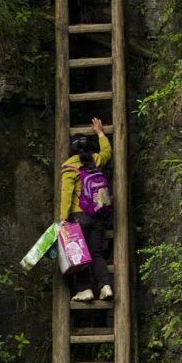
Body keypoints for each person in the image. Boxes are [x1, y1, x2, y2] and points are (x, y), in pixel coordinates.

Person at [60, 117, 113, 303]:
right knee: (96, 253)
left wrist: (63, 219)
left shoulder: (69, 166)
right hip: (98, 216)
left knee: (79, 254)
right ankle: (105, 285)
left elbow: (66, 194)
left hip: (78, 217)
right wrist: (100, 133)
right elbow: (107, 152)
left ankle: (85, 290)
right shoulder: (96, 160)